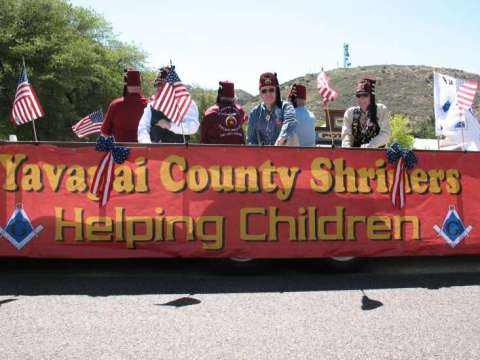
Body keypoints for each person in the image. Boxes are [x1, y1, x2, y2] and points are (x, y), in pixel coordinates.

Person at [137, 67, 199, 144]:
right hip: (154, 150)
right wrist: (147, 143)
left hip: (179, 151)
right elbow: (143, 128)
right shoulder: (152, 104)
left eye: (163, 86)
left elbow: (193, 127)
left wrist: (170, 125)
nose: (159, 89)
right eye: (157, 86)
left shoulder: (186, 103)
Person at [247, 72, 297, 146]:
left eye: (271, 90)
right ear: (260, 93)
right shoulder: (254, 113)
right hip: (264, 154)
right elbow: (251, 140)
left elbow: (290, 122)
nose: (268, 94)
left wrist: (278, 142)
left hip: (283, 151)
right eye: (264, 91)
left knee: (292, 136)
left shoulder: (286, 107)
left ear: (276, 91)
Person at [101, 69, 148, 142]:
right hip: (144, 151)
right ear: (140, 84)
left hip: (120, 151)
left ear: (126, 84)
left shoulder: (115, 104)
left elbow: (104, 133)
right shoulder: (149, 105)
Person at [341, 78, 391, 148]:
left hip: (377, 156)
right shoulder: (350, 113)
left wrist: (369, 146)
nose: (361, 98)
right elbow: (347, 135)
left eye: (365, 95)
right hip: (355, 155)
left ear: (371, 97)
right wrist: (347, 149)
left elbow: (385, 134)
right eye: (358, 95)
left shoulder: (381, 110)